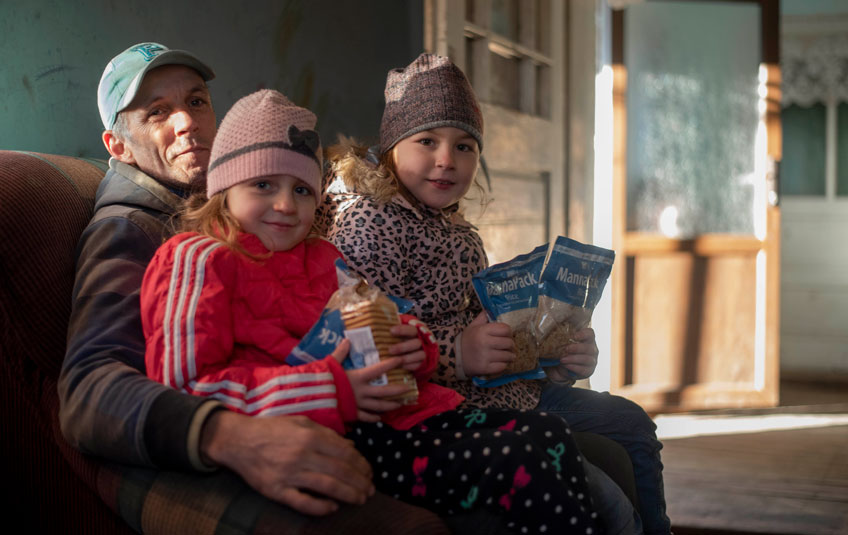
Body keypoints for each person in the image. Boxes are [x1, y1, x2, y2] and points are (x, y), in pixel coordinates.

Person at [140, 88, 601, 534]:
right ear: (224, 186)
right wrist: (329, 391)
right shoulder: (197, 258)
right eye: (263, 185)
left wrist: (412, 345)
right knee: (519, 458)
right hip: (342, 437)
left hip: (401, 413)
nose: (285, 204)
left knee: (549, 433)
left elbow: (390, 320)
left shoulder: (321, 257)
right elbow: (182, 390)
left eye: (302, 190)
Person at [317, 53, 669, 534]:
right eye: (427, 141)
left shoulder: (460, 234)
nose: (447, 160)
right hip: (440, 405)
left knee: (630, 423)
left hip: (505, 389)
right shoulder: (366, 224)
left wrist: (554, 358)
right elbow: (367, 344)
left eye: (464, 146)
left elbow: (490, 332)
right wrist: (457, 353)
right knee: (605, 497)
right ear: (392, 146)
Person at [59, 42, 383, 520]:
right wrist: (229, 436)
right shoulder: (128, 229)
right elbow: (88, 391)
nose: (187, 122)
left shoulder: (245, 205)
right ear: (118, 146)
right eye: (156, 112)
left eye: (196, 101)